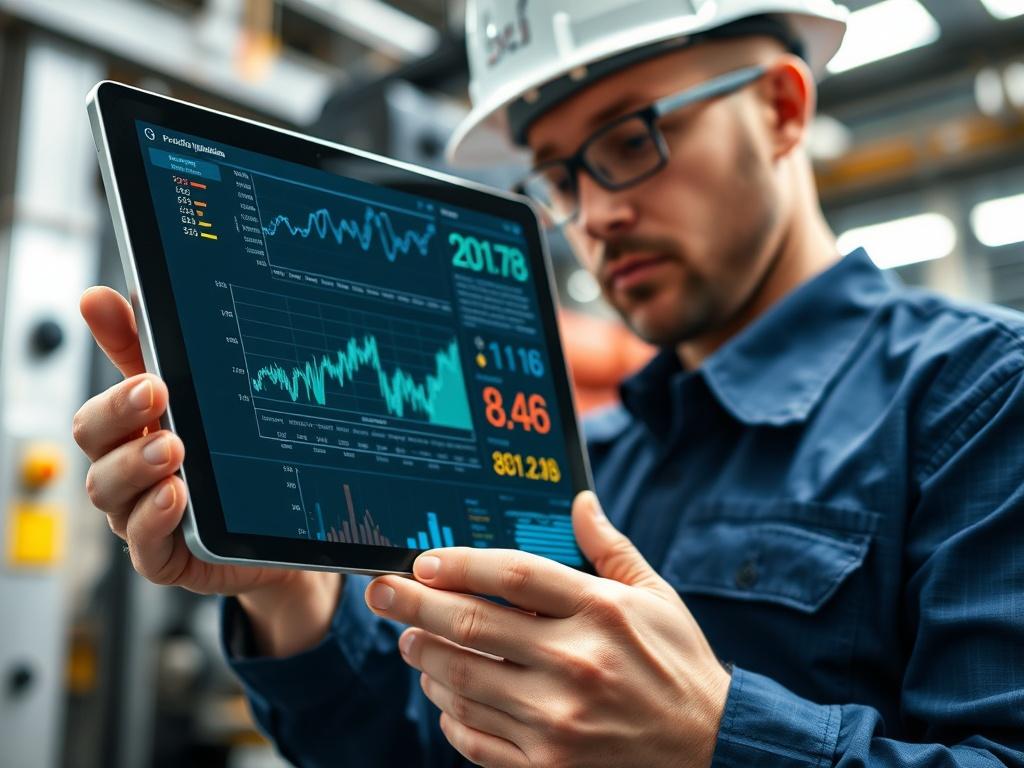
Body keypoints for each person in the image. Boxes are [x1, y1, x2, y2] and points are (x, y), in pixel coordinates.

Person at [73, 1, 1024, 766]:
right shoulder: (584, 465)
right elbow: (422, 749)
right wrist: (287, 597)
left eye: (630, 141)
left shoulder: (981, 397)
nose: (594, 216)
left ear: (780, 107)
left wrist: (711, 739)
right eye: (559, 178)